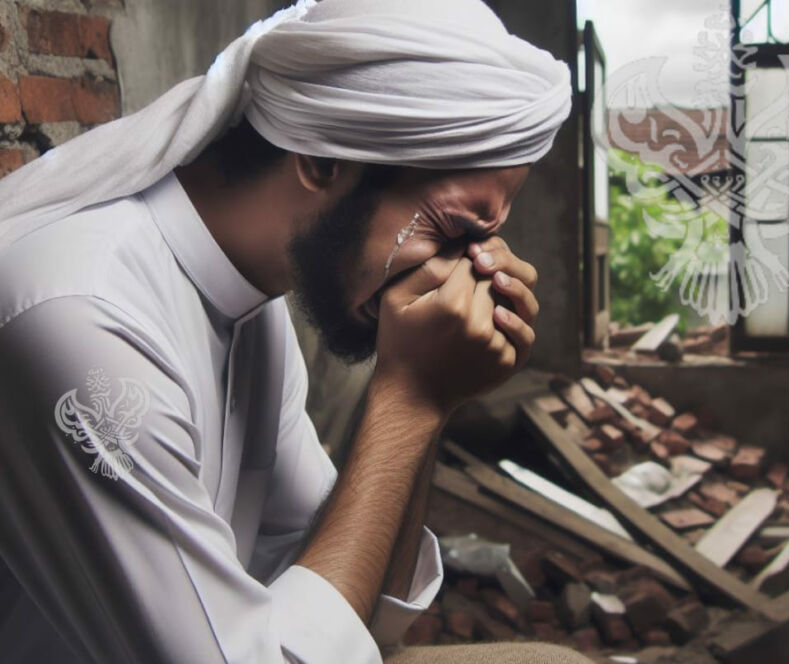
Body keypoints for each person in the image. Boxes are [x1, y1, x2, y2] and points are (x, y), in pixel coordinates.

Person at [0, 0, 588, 662]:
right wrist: (409, 399)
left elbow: (358, 615)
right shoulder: (84, 317)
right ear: (321, 159)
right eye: (454, 230)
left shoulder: (255, 306)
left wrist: (433, 401)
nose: (472, 271)